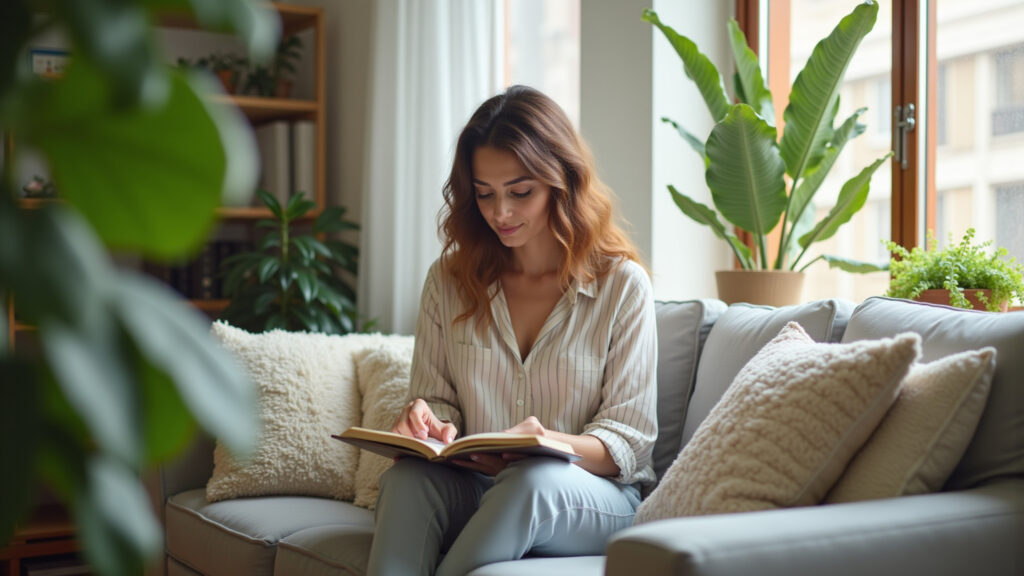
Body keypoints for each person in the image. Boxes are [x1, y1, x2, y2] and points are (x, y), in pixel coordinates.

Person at [366, 85, 657, 576]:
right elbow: (438, 401)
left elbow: (627, 444)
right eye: (485, 194)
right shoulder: (448, 281)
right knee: (406, 481)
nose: (500, 212)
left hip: (592, 498)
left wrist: (547, 442)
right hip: (481, 486)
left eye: (520, 192)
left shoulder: (622, 286)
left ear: (560, 182)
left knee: (532, 478)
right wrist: (425, 421)